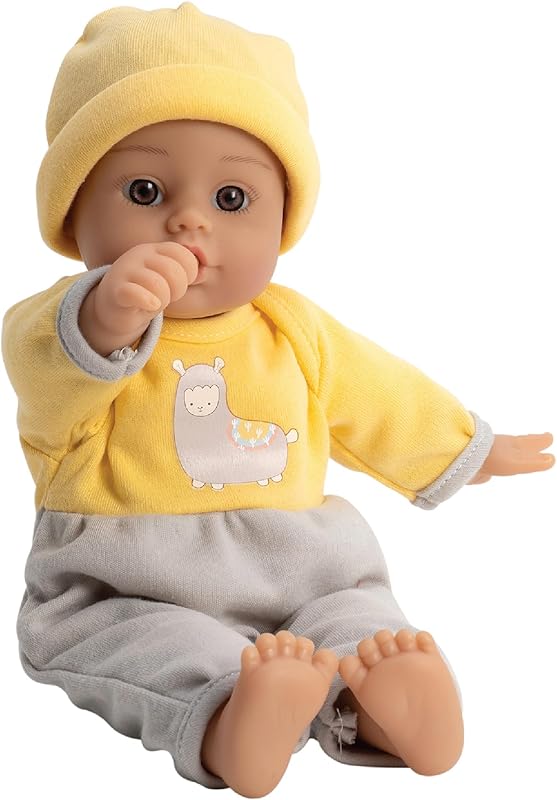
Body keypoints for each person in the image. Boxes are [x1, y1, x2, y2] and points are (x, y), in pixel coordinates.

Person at [2, 4, 554, 798]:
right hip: (126, 581)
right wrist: (104, 315)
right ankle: (238, 716)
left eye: (232, 198)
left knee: (356, 626)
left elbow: (380, 395)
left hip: (302, 566)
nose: (188, 220)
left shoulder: (293, 329)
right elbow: (44, 372)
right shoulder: (57, 324)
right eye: (144, 189)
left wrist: (468, 446)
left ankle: (383, 706)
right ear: (73, 210)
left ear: (282, 220)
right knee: (160, 649)